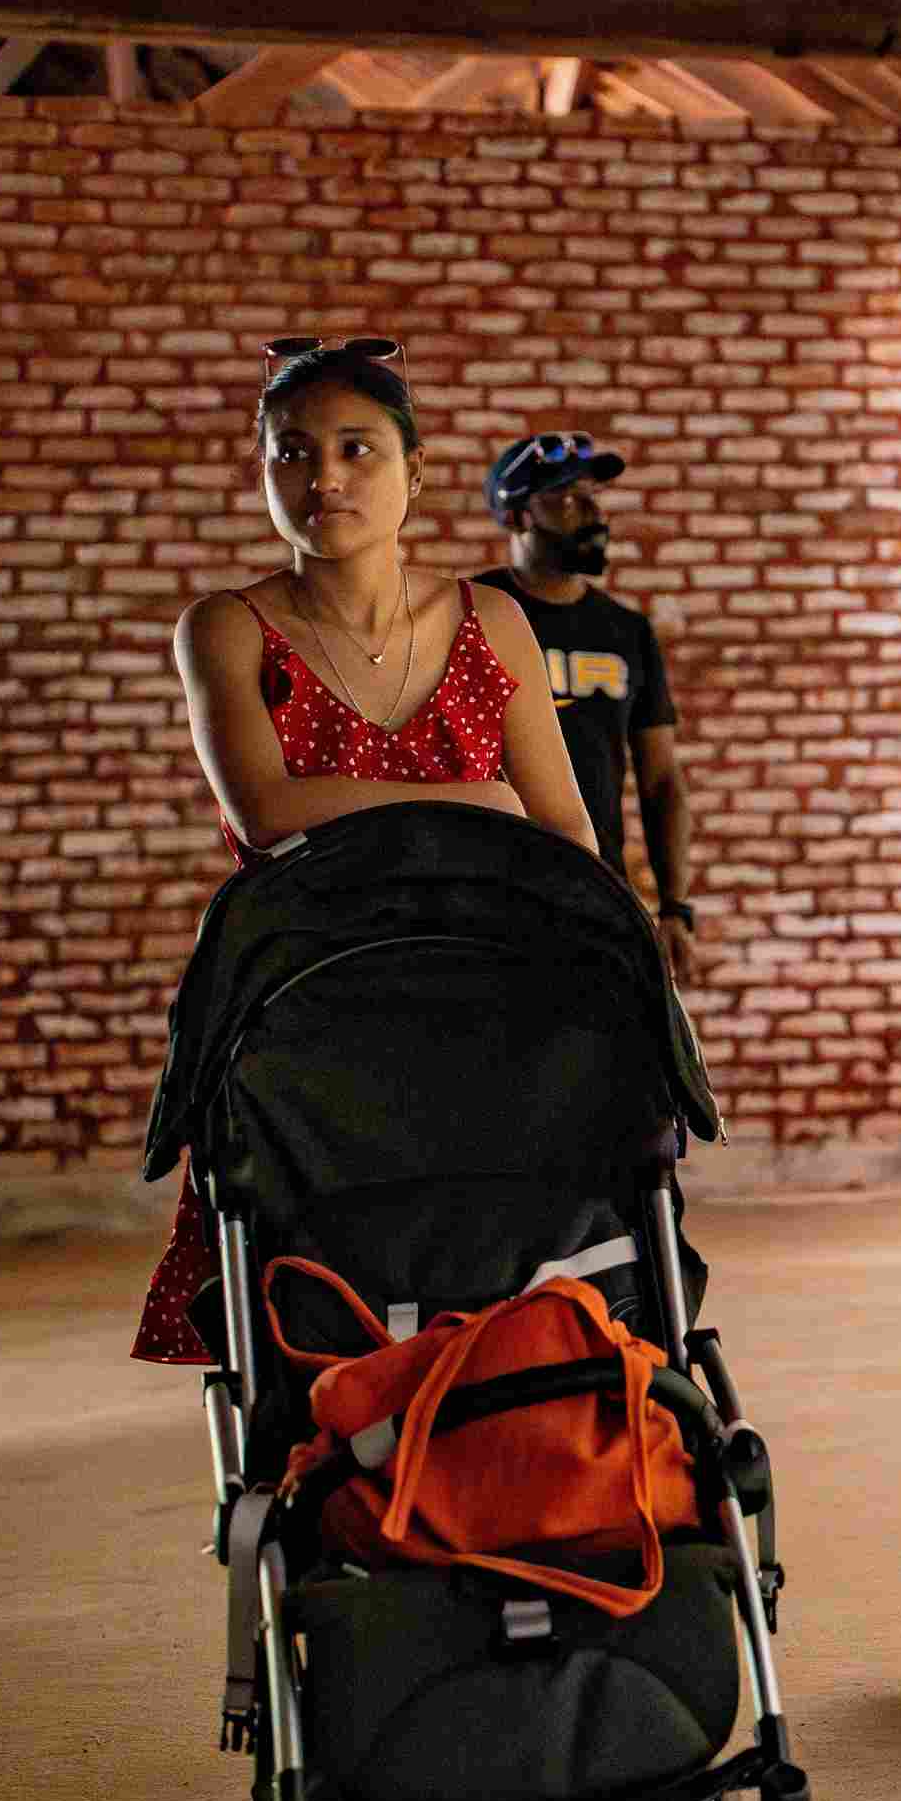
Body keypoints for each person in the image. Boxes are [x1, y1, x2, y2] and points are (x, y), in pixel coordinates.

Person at [130, 334, 600, 1365]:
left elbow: (567, 831)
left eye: (357, 449)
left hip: (492, 987)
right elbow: (265, 810)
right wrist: (479, 800)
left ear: (414, 471)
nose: (325, 478)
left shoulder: (492, 620)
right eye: (292, 453)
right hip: (311, 1001)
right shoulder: (226, 628)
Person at [474, 431, 704, 989]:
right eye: (567, 500)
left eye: (593, 498)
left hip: (595, 897)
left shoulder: (626, 631)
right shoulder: (468, 614)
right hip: (481, 900)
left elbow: (661, 781)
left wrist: (675, 907)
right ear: (518, 516)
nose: (594, 516)